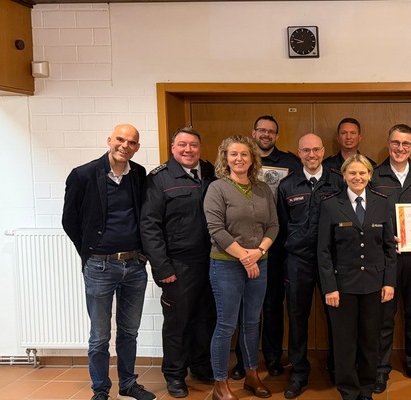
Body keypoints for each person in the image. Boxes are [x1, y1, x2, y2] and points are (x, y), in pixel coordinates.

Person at [62, 124, 156, 400]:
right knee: (100, 336)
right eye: (120, 139)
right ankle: (101, 389)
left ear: (137, 147)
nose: (125, 145)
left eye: (131, 142)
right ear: (109, 140)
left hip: (134, 266)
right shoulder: (83, 175)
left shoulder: (138, 174)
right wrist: (89, 251)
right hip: (99, 266)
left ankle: (128, 384)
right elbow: (70, 220)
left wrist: (143, 254)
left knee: (129, 331)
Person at [140, 127, 217, 398]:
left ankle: (201, 365)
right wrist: (162, 267)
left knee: (206, 318)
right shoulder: (159, 179)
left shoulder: (210, 172)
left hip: (211, 262)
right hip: (178, 264)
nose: (188, 150)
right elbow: (149, 226)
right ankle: (174, 374)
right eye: (182, 145)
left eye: (193, 145)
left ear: (200, 147)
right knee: (178, 322)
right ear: (173, 148)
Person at [203, 136, 279, 400]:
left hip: (260, 262)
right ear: (225, 158)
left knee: (251, 322)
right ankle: (220, 384)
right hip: (226, 266)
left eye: (244, 154)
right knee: (226, 325)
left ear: (252, 158)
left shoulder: (262, 189)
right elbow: (216, 230)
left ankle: (251, 374)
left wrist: (259, 252)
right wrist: (245, 258)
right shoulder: (217, 188)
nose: (239, 159)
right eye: (233, 154)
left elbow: (273, 226)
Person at [317, 155, 397, 400]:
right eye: (352, 173)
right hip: (342, 287)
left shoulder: (382, 203)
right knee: (344, 342)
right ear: (344, 176)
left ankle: (366, 388)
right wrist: (329, 287)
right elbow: (324, 251)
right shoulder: (331, 205)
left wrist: (389, 282)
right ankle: (349, 390)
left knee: (370, 340)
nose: (357, 177)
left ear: (370, 176)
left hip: (374, 285)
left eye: (362, 173)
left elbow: (389, 249)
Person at [230, 115, 301, 380]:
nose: (266, 135)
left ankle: (272, 358)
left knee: (272, 304)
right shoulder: (241, 161)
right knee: (243, 306)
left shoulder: (291, 163)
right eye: (262, 130)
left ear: (276, 136)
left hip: (276, 244)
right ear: (254, 132)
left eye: (271, 131)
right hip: (242, 247)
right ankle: (242, 361)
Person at [277, 133, 344, 398]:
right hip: (298, 261)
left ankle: (337, 367)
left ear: (324, 151)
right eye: (306, 150)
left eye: (316, 150)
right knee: (296, 317)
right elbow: (281, 226)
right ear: (299, 152)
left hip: (332, 261)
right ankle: (299, 372)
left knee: (336, 317)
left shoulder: (338, 181)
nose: (311, 155)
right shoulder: (287, 185)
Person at [370, 124, 411, 392]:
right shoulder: (374, 175)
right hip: (384, 258)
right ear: (388, 143)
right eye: (396, 143)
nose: (400, 148)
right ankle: (380, 368)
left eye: (406, 144)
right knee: (384, 314)